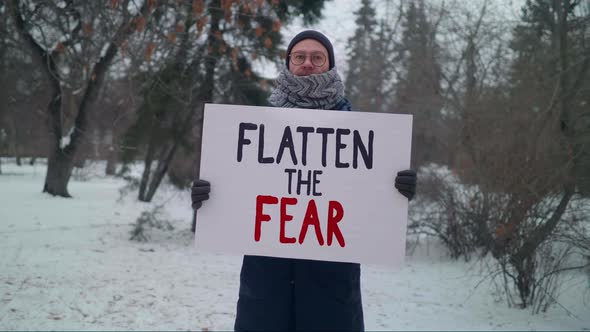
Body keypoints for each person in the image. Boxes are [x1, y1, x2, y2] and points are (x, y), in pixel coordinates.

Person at [191, 30, 417, 331]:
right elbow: (239, 195)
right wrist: (209, 194)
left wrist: (397, 188)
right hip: (265, 286)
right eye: (299, 57)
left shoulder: (357, 130)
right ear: (288, 64)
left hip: (332, 289)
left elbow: (369, 203)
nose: (307, 63)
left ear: (330, 65)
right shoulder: (257, 126)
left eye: (317, 57)